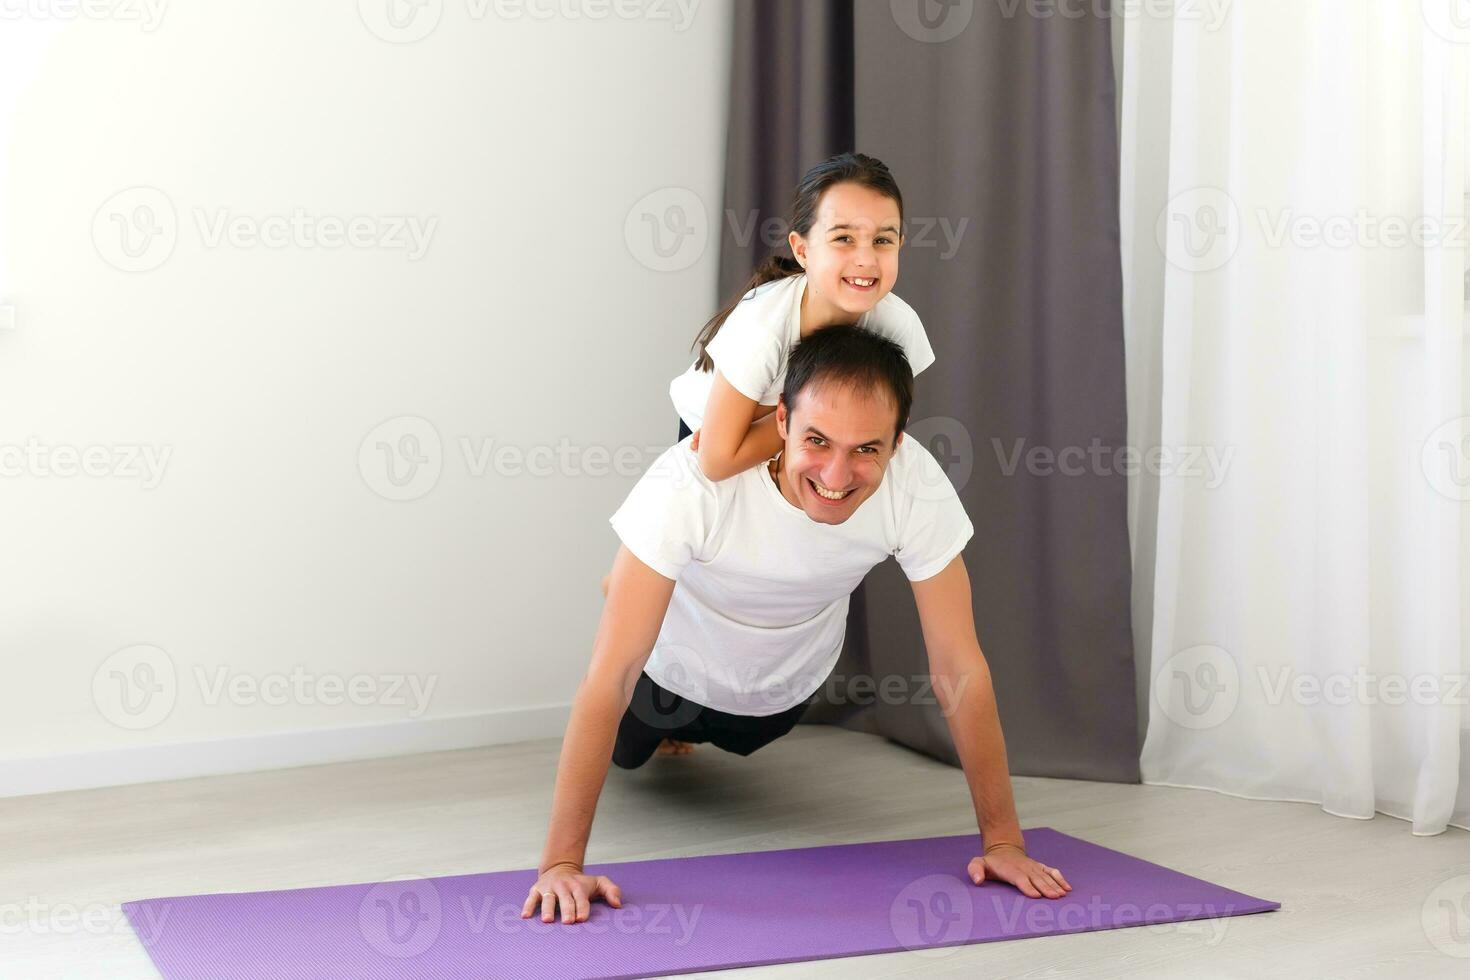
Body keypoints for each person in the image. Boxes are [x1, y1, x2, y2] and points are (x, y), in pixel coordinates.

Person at [522, 326, 1071, 926]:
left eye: (867, 449)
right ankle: (633, 588)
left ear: (898, 442)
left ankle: (639, 589)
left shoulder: (915, 483)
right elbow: (612, 672)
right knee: (634, 750)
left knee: (747, 735)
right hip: (671, 671)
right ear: (780, 421)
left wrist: (1003, 843)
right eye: (818, 440)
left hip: (783, 688)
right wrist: (561, 864)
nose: (838, 475)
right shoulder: (690, 482)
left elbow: (958, 665)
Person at [669, 151, 934, 479]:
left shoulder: (899, 325)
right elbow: (716, 461)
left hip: (798, 442)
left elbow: (881, 421)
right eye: (843, 238)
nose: (866, 259)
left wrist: (812, 426)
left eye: (882, 240)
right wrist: (807, 418)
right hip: (711, 438)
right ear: (802, 249)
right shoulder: (762, 327)